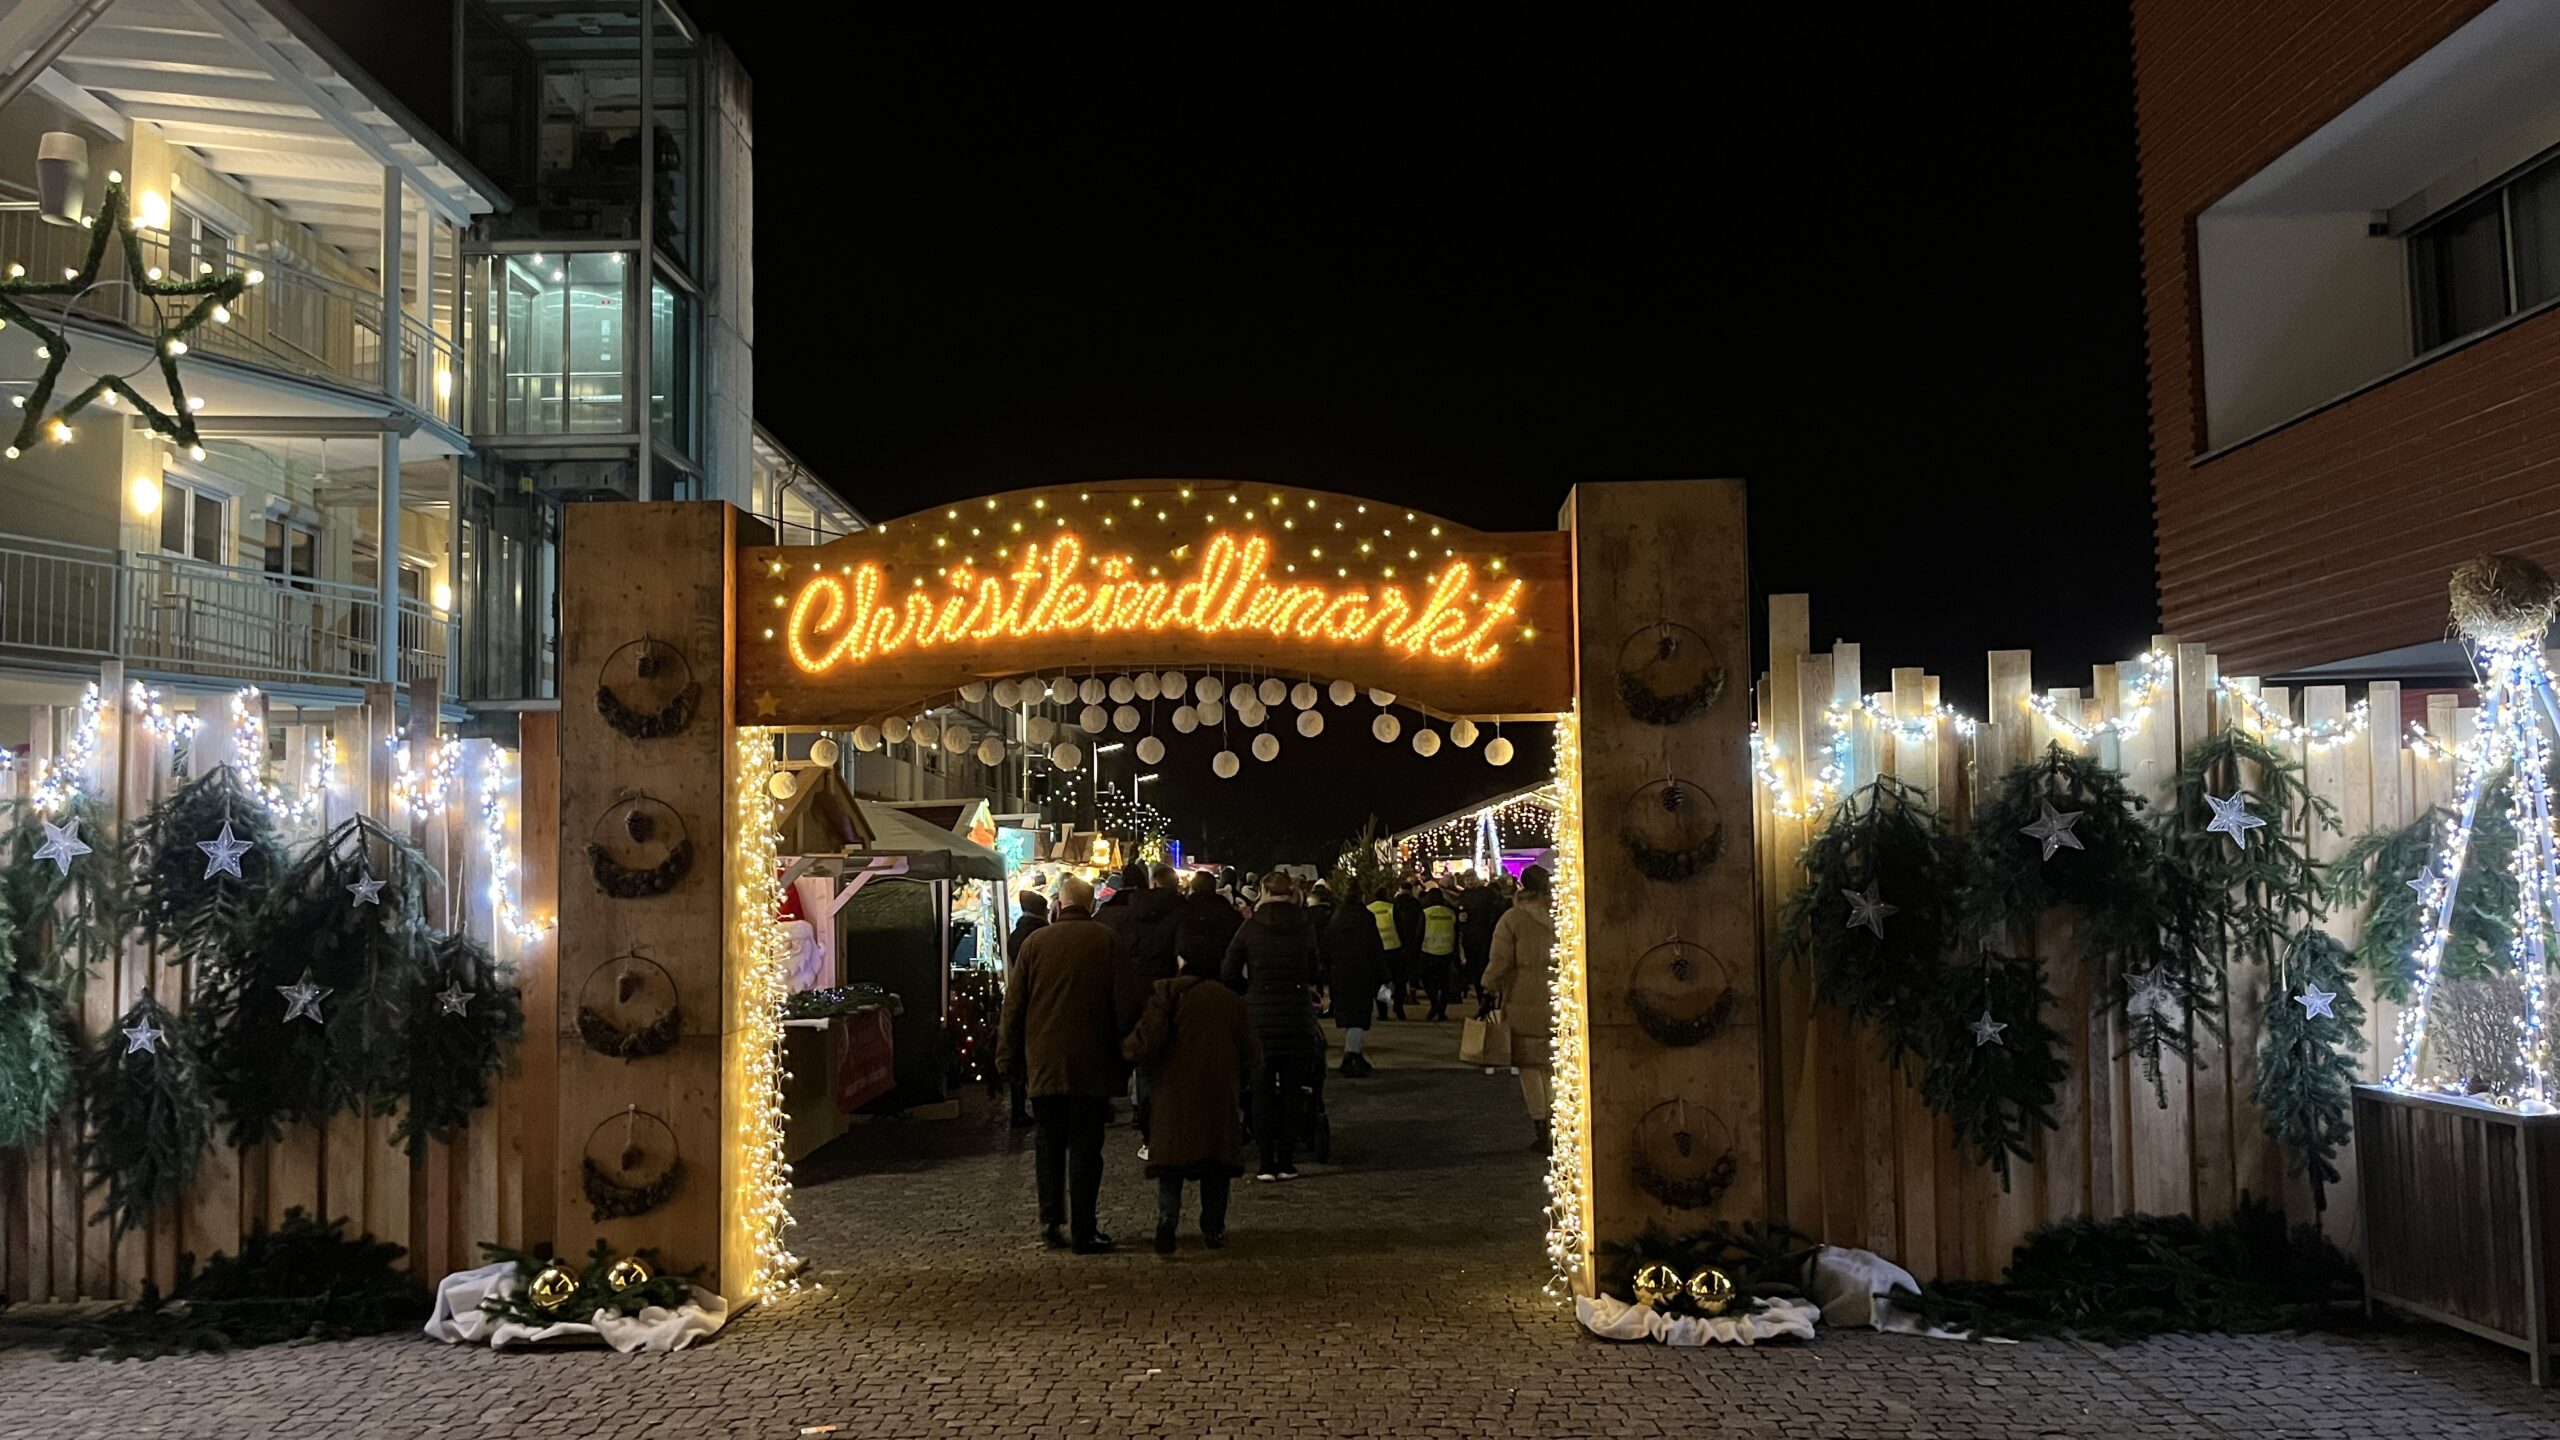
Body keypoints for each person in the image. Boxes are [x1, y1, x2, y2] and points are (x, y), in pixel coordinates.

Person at [998, 873, 1145, 1253]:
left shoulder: (1035, 944)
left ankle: (1050, 1220)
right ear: (1092, 905)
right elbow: (1127, 1005)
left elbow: (1013, 1006)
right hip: (1092, 1065)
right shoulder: (1107, 941)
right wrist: (1123, 1052)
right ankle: (1084, 1228)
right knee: (1085, 1147)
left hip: (1044, 1063)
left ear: (1057, 906)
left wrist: (1008, 1057)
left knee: (1048, 1144)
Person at [1122, 946, 1261, 1253]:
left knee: (1171, 1165)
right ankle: (1213, 1228)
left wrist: (1126, 1051)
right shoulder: (1229, 1001)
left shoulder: (1168, 993)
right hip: (1218, 1093)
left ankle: (1167, 1220)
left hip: (1174, 1095)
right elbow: (1251, 1050)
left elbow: (1147, 1041)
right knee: (1216, 1165)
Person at [1221, 870, 1323, 1180]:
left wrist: (1248, 991)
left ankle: (1266, 1163)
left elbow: (1228, 969)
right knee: (1293, 1091)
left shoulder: (1250, 928)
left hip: (1260, 1019)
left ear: (1263, 891)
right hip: (1296, 1016)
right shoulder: (1305, 927)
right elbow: (1315, 969)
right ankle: (1287, 1161)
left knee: (1261, 1091)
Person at [1479, 864, 1559, 1153]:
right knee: (1553, 1066)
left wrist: (1487, 986)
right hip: (1559, 998)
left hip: (1523, 998)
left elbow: (1500, 960)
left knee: (1529, 1066)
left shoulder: (1512, 919)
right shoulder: (1562, 917)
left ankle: (1541, 1126)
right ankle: (1559, 1122)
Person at [1323, 889, 1388, 1077]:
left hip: (1340, 973)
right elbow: (1375, 948)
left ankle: (1353, 1053)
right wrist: (1383, 975)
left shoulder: (1336, 919)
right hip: (1363, 973)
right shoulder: (1366, 920)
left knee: (1348, 1014)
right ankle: (1352, 1055)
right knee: (1359, 1015)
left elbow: (1326, 946)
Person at [1004, 890, 1050, 1127]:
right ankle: (1035, 1106)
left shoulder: (1015, 936)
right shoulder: (1042, 935)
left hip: (1021, 1001)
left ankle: (1018, 1108)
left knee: (1018, 1059)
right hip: (1039, 1003)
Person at [1176, 868, 1245, 977]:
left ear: (1193, 887)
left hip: (1192, 968)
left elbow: (1181, 939)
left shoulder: (1185, 909)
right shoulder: (1226, 910)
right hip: (1221, 967)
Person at [1458, 871, 1506, 1016]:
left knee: (1483, 969)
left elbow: (1494, 912)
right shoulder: (1465, 894)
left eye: (1471, 878)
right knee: (1476, 970)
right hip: (1471, 937)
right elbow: (1460, 909)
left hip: (1484, 936)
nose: (1469, 881)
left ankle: (1486, 1001)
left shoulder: (1486, 893)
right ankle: (1483, 1002)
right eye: (1467, 879)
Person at [1416, 886, 1460, 1022]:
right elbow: (1456, 933)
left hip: (1429, 951)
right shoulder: (1451, 913)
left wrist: (1416, 951)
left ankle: (1434, 1003)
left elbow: (1420, 933)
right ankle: (1441, 1010)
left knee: (1429, 982)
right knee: (1444, 983)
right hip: (1446, 952)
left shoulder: (1426, 913)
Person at [1366, 886, 1407, 1020]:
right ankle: (1398, 1006)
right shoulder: (1391, 908)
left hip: (1377, 951)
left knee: (1382, 982)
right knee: (1398, 980)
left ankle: (1383, 1011)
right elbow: (1401, 928)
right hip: (1394, 949)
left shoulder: (1369, 909)